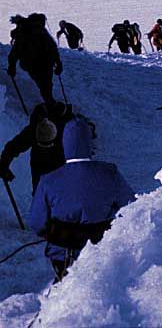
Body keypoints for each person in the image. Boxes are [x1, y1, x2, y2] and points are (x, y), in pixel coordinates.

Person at [28, 116, 134, 282]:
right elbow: (131, 207)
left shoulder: (48, 180)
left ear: (64, 143)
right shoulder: (109, 173)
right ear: (90, 143)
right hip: (102, 251)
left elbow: (36, 223)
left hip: (62, 256)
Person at [0, 100, 73, 194]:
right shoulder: (31, 132)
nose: (46, 147)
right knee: (40, 192)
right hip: (39, 161)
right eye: (41, 144)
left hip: (59, 159)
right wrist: (4, 165)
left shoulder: (66, 128)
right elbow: (12, 148)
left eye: (48, 144)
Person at [7, 13, 62, 104]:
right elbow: (52, 48)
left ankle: (49, 101)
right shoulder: (32, 31)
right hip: (39, 63)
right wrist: (58, 63)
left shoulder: (31, 30)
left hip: (35, 63)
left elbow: (15, 52)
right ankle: (49, 102)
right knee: (45, 84)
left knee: (45, 84)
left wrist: (11, 66)